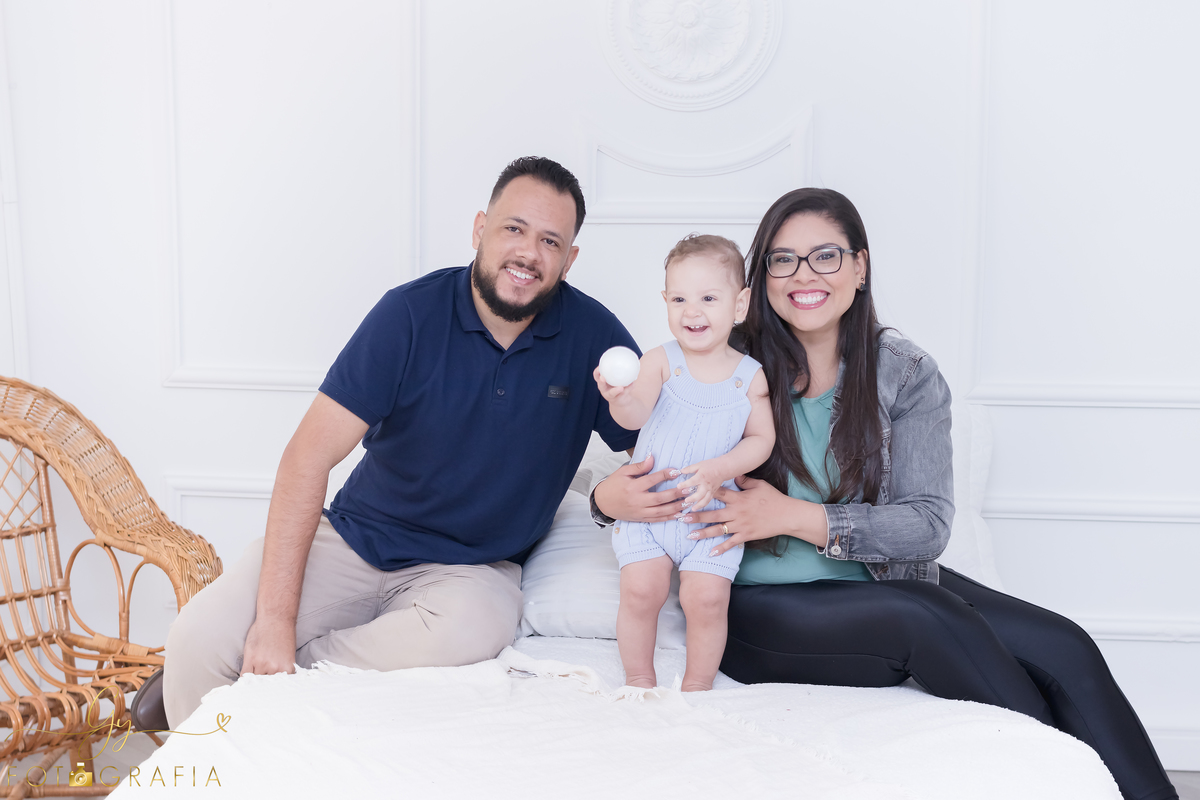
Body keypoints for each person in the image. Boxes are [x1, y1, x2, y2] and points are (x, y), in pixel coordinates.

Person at [593, 188, 1177, 800]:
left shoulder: (905, 372)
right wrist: (607, 499)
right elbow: (651, 450)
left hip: (885, 574)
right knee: (926, 617)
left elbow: (927, 526)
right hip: (758, 600)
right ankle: (1063, 784)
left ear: (859, 267)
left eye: (825, 255)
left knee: (1065, 647)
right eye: (783, 260)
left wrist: (791, 515)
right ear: (759, 280)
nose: (804, 275)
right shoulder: (721, 357)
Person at [134, 156, 642, 730]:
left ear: (569, 259)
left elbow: (659, 449)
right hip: (353, 542)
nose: (529, 253)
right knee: (198, 639)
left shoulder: (595, 338)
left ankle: (283, 679)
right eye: (513, 229)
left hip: (469, 572)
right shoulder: (408, 314)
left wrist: (618, 491)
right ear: (480, 229)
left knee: (474, 626)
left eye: (550, 241)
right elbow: (306, 457)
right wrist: (273, 621)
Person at [593, 234, 773, 692]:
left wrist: (718, 470)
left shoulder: (749, 377)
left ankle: (697, 685)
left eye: (708, 298)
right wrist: (619, 399)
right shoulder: (660, 361)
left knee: (707, 599)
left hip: (710, 518)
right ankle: (639, 678)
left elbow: (761, 441)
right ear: (665, 302)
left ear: (739, 304)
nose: (692, 312)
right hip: (649, 512)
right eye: (679, 299)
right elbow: (634, 417)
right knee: (641, 591)